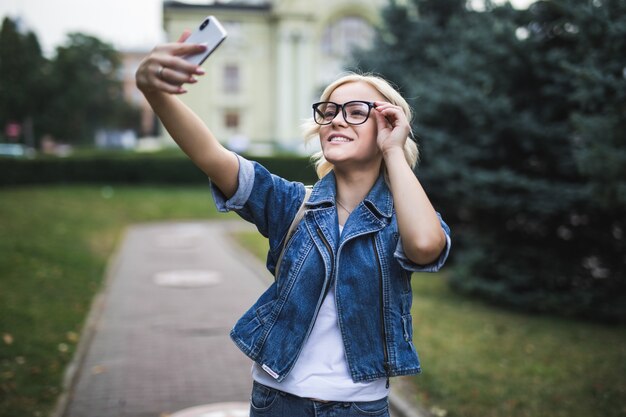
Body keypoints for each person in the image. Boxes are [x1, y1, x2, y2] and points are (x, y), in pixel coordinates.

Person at [136, 30, 451, 417]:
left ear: (387, 126)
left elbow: (424, 245)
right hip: (278, 403)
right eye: (329, 111)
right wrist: (156, 94)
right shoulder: (290, 204)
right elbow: (212, 156)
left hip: (361, 408)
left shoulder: (401, 216)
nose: (336, 119)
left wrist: (394, 151)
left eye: (356, 112)